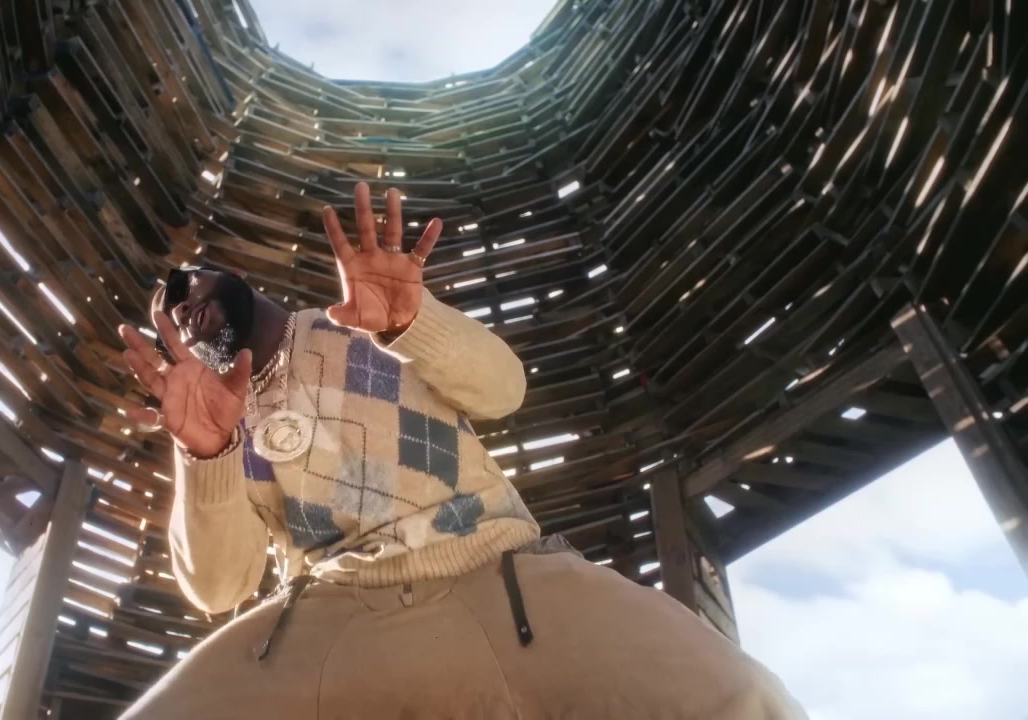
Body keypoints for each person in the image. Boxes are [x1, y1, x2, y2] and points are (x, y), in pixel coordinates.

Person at [117, 183, 804, 719]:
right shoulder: (218, 422)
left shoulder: (363, 322)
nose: (174, 311)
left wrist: (415, 325)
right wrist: (206, 457)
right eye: (163, 322)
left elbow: (505, 390)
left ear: (231, 273)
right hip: (336, 613)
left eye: (180, 288)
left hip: (504, 576)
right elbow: (219, 588)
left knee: (739, 699)